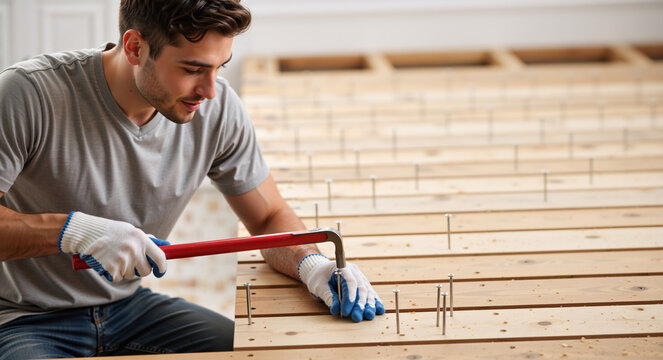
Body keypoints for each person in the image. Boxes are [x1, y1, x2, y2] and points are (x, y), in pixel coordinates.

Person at [0, 0, 384, 358]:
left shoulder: (216, 110)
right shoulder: (28, 95)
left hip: (128, 308)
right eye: (192, 69)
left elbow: (268, 218)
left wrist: (312, 266)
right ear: (135, 48)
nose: (210, 90)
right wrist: (75, 231)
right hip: (21, 318)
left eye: (220, 67)